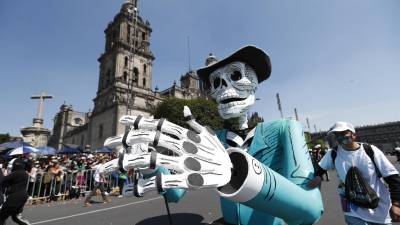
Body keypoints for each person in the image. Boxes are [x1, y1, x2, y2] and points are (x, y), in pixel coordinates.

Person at [308, 121, 400, 225]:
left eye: (344, 134)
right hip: (353, 212)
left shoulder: (370, 150)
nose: (340, 137)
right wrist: (318, 176)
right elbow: (320, 168)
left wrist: (396, 204)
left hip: (379, 211)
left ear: (354, 135)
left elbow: (393, 177)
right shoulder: (333, 153)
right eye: (337, 135)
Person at [0, 159, 31, 225]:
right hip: (23, 196)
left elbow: (2, 180)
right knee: (15, 217)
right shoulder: (24, 173)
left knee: (1, 217)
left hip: (15, 197)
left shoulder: (16, 173)